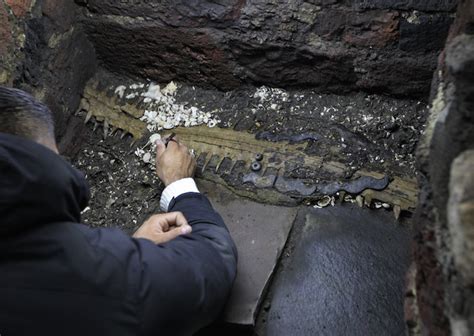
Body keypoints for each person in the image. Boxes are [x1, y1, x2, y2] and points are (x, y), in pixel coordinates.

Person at [0, 86, 238, 335]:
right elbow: (210, 268)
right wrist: (180, 185)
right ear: (39, 159)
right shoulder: (72, 272)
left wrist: (132, 249)